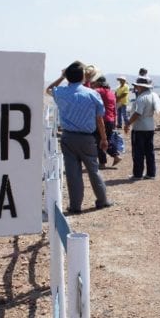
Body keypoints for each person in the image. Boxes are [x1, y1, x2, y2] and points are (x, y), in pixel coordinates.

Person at [46, 61, 113, 214]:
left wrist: (61, 76)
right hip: (87, 138)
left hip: (68, 137)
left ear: (67, 77)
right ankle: (102, 200)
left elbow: (48, 89)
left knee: (72, 173)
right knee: (93, 170)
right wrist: (103, 138)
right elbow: (99, 119)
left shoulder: (61, 92)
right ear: (83, 76)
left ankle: (75, 206)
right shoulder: (92, 94)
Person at [124, 76, 160, 179]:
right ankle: (151, 173)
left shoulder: (141, 98)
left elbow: (137, 113)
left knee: (138, 152)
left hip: (140, 128)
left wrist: (128, 123)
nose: (136, 88)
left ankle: (138, 174)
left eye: (137, 86)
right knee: (149, 151)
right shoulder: (153, 95)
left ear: (141, 86)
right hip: (150, 126)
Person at [92, 76, 122, 166]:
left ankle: (103, 162)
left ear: (99, 83)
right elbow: (114, 109)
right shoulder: (111, 93)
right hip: (111, 120)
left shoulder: (98, 91)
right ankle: (115, 156)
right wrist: (115, 121)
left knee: (98, 140)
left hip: (102, 119)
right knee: (106, 140)